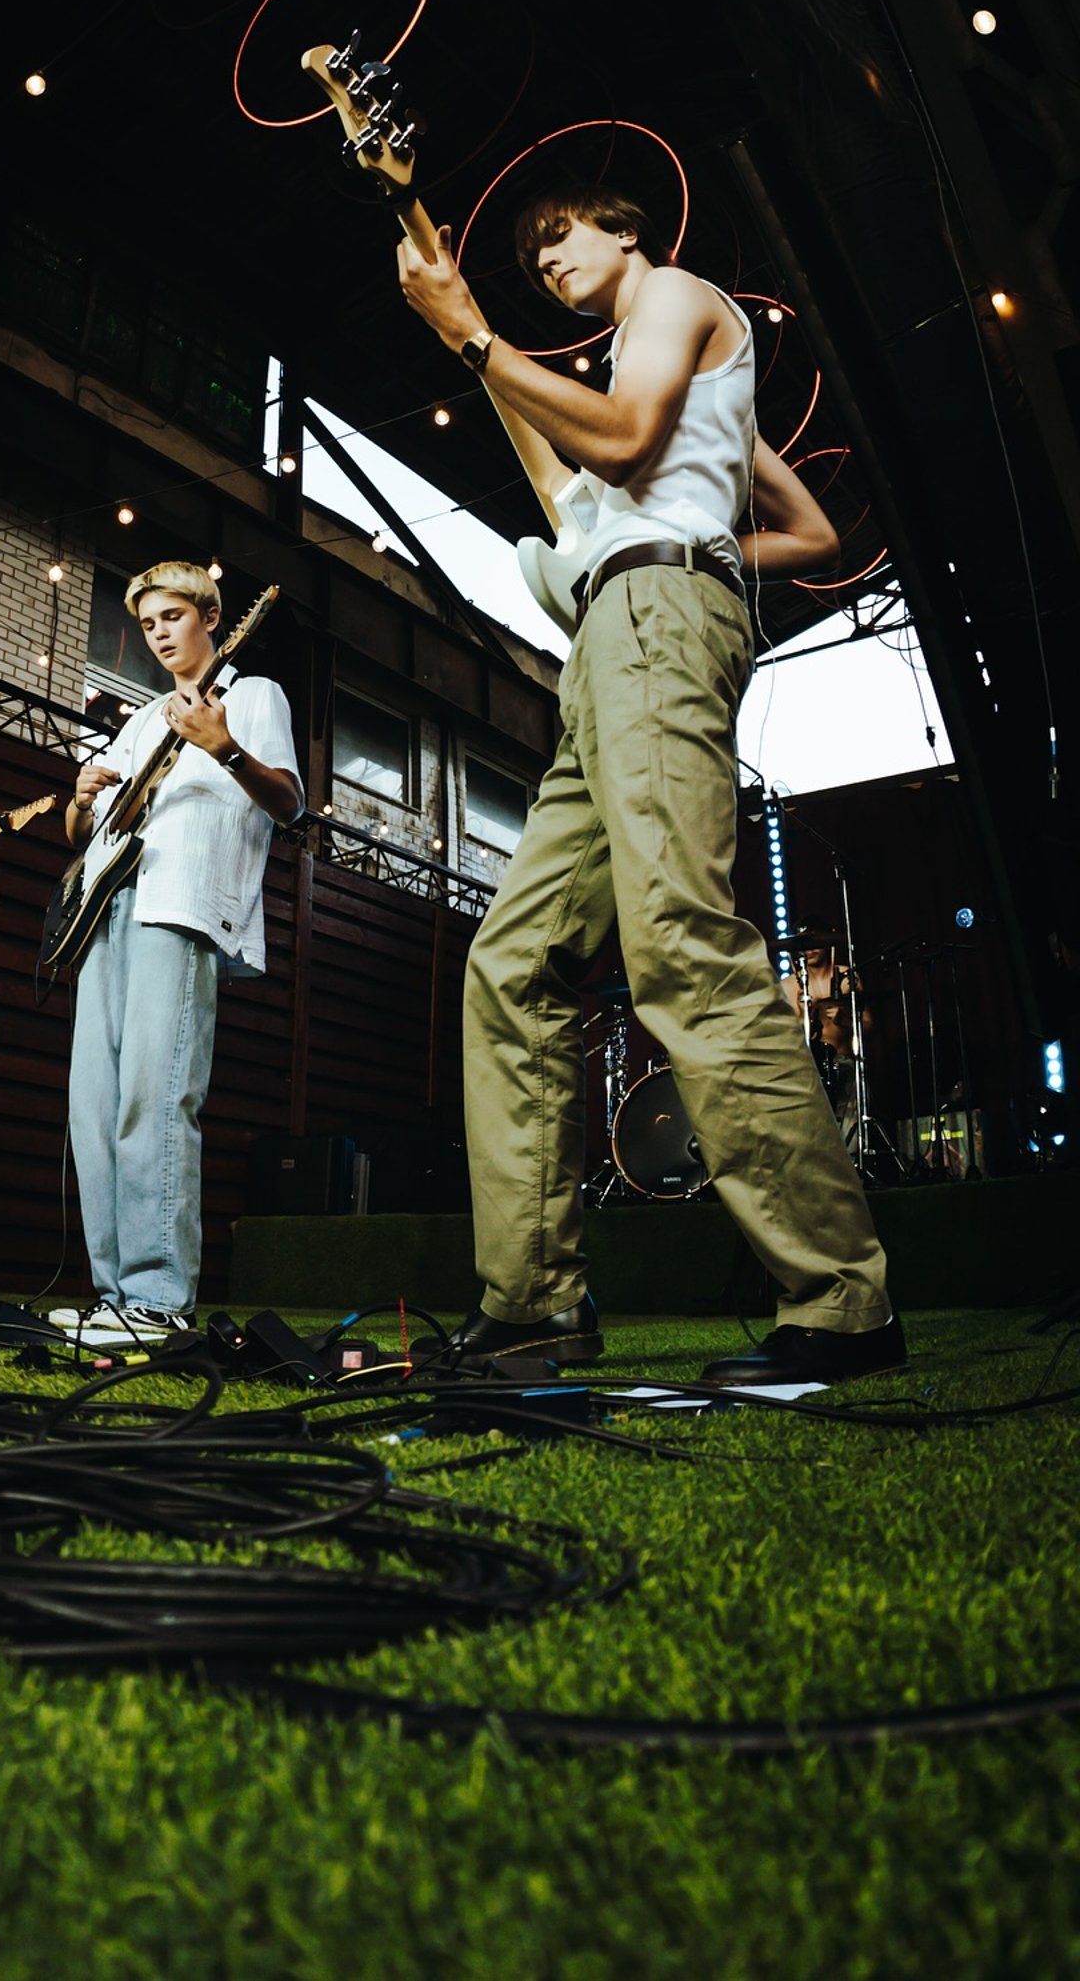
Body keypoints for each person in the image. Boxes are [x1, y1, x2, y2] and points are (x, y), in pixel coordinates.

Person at [396, 186, 902, 1384]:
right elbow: (815, 533)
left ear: (627, 232)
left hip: (659, 623)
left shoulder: (670, 296)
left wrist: (474, 337)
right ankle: (534, 1306)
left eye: (562, 234)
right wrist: (712, 530)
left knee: (681, 940)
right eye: (530, 257)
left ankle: (842, 1301)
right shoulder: (681, 379)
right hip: (616, 640)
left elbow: (620, 440)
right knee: (512, 964)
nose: (547, 259)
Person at [55, 561, 303, 1346]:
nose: (160, 632)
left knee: (155, 1098)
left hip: (182, 905)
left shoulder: (255, 695)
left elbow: (290, 803)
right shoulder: (138, 719)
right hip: (107, 907)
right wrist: (80, 800)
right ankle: (111, 1297)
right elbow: (86, 837)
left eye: (173, 615)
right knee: (92, 1104)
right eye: (150, 621)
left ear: (211, 615)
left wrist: (223, 747)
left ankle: (157, 1295)